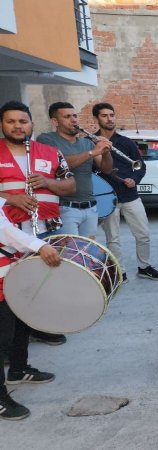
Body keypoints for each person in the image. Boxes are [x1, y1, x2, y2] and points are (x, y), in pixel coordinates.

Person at [0, 101, 75, 350]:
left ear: (31, 124)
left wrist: (46, 181)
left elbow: (70, 186)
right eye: (11, 121)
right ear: (2, 125)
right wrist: (10, 199)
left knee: (42, 285)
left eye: (23, 121)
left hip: (46, 229)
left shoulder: (49, 151)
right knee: (11, 292)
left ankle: (40, 329)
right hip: (8, 237)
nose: (18, 126)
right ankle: (11, 347)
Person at [0, 200, 62, 420]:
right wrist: (40, 246)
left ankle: (18, 369)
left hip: (9, 276)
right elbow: (4, 230)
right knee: (2, 339)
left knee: (21, 324)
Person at [93, 102, 158, 282]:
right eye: (104, 115)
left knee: (143, 234)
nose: (109, 119)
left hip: (130, 196)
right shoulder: (91, 142)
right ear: (96, 119)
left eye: (112, 115)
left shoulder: (126, 142)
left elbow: (140, 166)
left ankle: (144, 266)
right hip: (107, 198)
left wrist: (135, 179)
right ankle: (119, 271)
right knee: (113, 238)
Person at [36, 102, 113, 240]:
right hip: (65, 208)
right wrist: (92, 152)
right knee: (70, 253)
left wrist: (106, 151)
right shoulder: (46, 139)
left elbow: (106, 169)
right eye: (67, 117)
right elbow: (59, 165)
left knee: (87, 252)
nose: (74, 120)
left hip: (90, 207)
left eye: (75, 115)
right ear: (55, 121)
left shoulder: (87, 143)